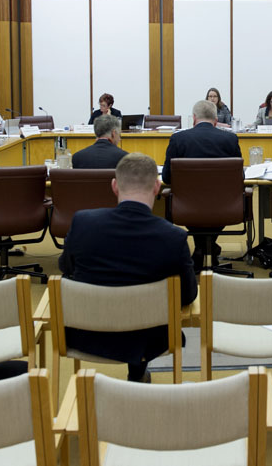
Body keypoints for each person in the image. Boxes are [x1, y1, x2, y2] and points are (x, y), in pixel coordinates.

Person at [58, 152, 197, 383]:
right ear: (157, 187)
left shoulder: (82, 222)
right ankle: (137, 372)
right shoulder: (173, 237)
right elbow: (188, 294)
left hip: (87, 334)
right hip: (150, 339)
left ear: (114, 186)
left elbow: (66, 267)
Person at [162, 100, 242, 270]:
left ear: (194, 118)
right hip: (224, 206)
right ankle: (208, 247)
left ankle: (201, 248)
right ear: (216, 120)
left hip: (186, 206)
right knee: (213, 211)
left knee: (196, 211)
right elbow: (239, 178)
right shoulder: (230, 139)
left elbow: (167, 178)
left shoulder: (178, 139)